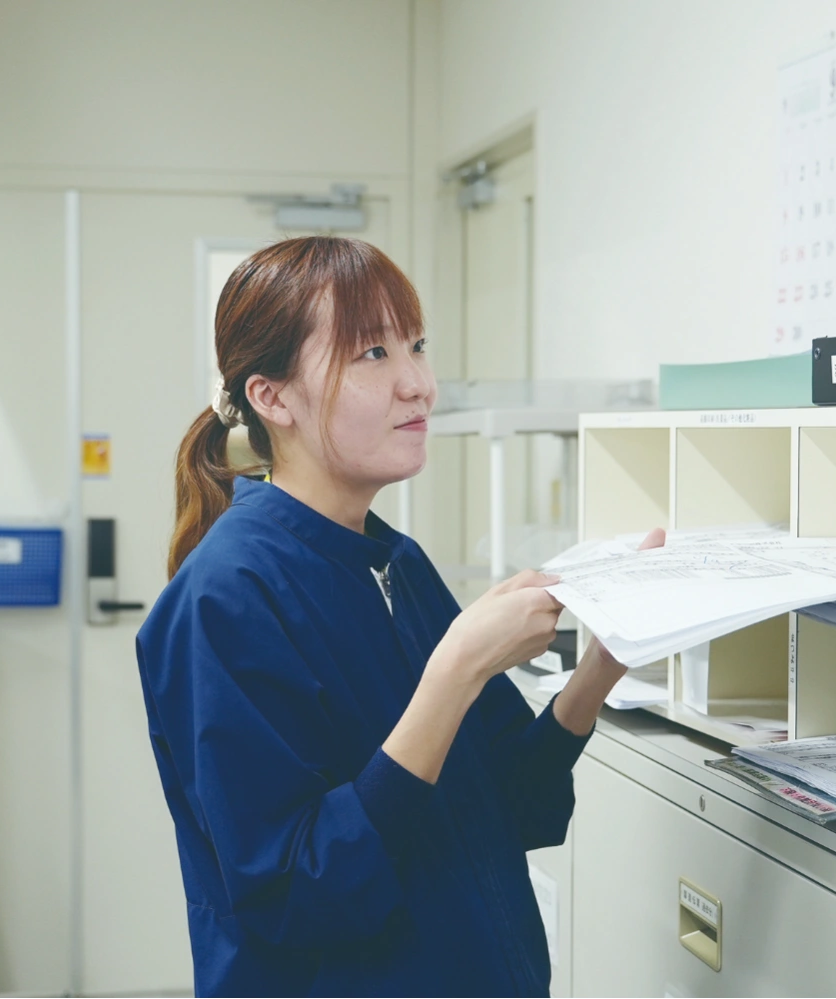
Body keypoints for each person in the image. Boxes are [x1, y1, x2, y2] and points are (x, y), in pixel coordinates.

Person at [136, 236, 663, 998]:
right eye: (373, 354)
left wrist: (600, 666)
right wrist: (454, 672)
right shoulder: (225, 597)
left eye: (416, 346)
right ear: (272, 398)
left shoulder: (395, 563)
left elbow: (514, 803)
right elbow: (299, 888)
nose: (419, 383)